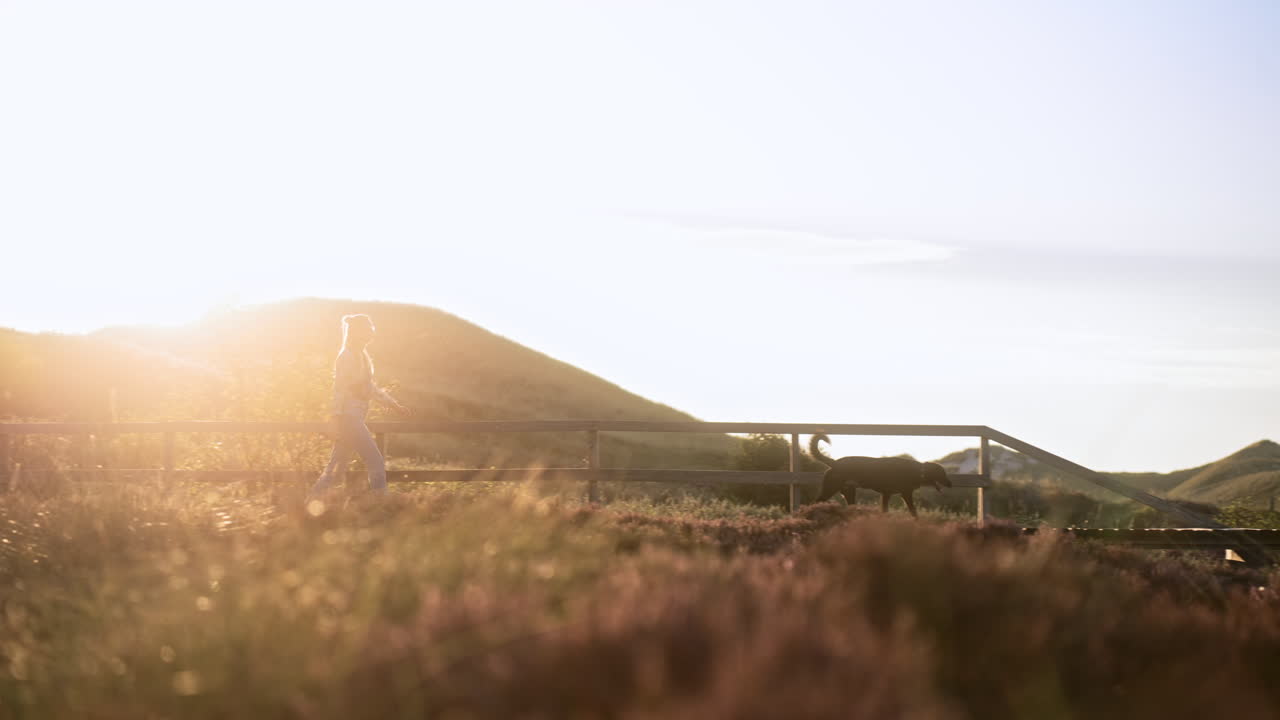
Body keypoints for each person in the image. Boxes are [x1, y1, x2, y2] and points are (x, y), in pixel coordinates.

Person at [309, 314, 411, 497]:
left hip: (354, 415)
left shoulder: (361, 356)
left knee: (336, 467)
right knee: (375, 460)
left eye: (371, 328)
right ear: (357, 332)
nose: (372, 332)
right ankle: (382, 502)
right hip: (349, 417)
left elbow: (369, 388)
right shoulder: (347, 356)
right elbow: (339, 388)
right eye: (368, 329)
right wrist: (335, 417)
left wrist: (394, 405)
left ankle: (310, 501)